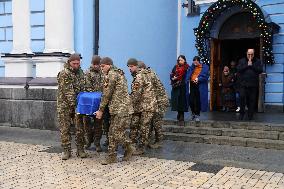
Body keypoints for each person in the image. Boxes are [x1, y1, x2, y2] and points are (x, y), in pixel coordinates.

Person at [94, 57, 134, 165]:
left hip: (121, 109)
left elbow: (107, 93)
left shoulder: (111, 74)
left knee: (116, 133)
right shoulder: (118, 73)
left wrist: (101, 110)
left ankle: (129, 147)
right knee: (112, 133)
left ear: (109, 65)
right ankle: (112, 156)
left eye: (103, 66)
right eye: (100, 66)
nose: (102, 69)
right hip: (119, 108)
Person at [57, 53, 87, 160]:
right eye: (74, 63)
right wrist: (75, 105)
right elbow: (68, 92)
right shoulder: (64, 73)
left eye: (78, 63)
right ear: (69, 62)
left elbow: (84, 88)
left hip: (78, 105)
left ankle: (80, 149)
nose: (76, 65)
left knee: (80, 128)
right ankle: (66, 150)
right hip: (65, 106)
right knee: (65, 129)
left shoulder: (81, 73)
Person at [128, 58, 158, 154]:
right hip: (145, 105)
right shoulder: (144, 74)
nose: (130, 69)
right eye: (128, 67)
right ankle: (137, 145)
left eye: (131, 66)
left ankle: (141, 148)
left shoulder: (139, 77)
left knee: (144, 127)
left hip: (147, 106)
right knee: (142, 126)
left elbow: (136, 94)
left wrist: (128, 104)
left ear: (136, 66)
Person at [137, 61, 169, 148]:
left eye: (138, 70)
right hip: (154, 101)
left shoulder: (148, 75)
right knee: (151, 121)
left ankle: (159, 141)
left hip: (160, 101)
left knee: (156, 122)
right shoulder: (149, 73)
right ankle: (149, 140)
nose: (137, 72)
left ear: (142, 69)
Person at [83, 55, 104, 152]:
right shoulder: (87, 73)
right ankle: (88, 141)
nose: (96, 66)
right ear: (92, 64)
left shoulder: (103, 73)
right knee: (87, 123)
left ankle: (97, 143)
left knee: (98, 123)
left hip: (100, 102)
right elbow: (87, 87)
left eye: (98, 64)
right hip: (89, 102)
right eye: (94, 64)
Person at [237, 49, 263, 120]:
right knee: (242, 98)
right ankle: (241, 114)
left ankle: (250, 115)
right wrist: (247, 65)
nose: (250, 56)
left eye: (252, 54)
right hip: (243, 84)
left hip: (253, 85)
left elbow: (260, 70)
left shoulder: (257, 61)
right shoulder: (242, 61)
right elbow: (238, 69)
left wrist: (252, 66)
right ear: (246, 54)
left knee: (251, 101)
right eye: (249, 54)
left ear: (254, 54)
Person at [186, 56, 209, 122]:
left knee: (198, 101)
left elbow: (205, 76)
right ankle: (193, 113)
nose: (195, 63)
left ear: (199, 61)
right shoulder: (192, 67)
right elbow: (188, 74)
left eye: (196, 61)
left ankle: (197, 115)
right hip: (192, 85)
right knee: (191, 100)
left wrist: (198, 79)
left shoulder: (205, 67)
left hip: (199, 85)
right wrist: (188, 80)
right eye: (194, 61)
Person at [170, 55, 190, 122]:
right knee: (177, 101)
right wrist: (173, 78)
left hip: (183, 86)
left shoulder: (187, 67)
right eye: (179, 60)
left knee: (182, 101)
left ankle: (182, 115)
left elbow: (188, 76)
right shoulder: (175, 67)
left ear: (184, 60)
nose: (180, 61)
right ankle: (179, 113)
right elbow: (171, 74)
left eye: (181, 60)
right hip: (176, 86)